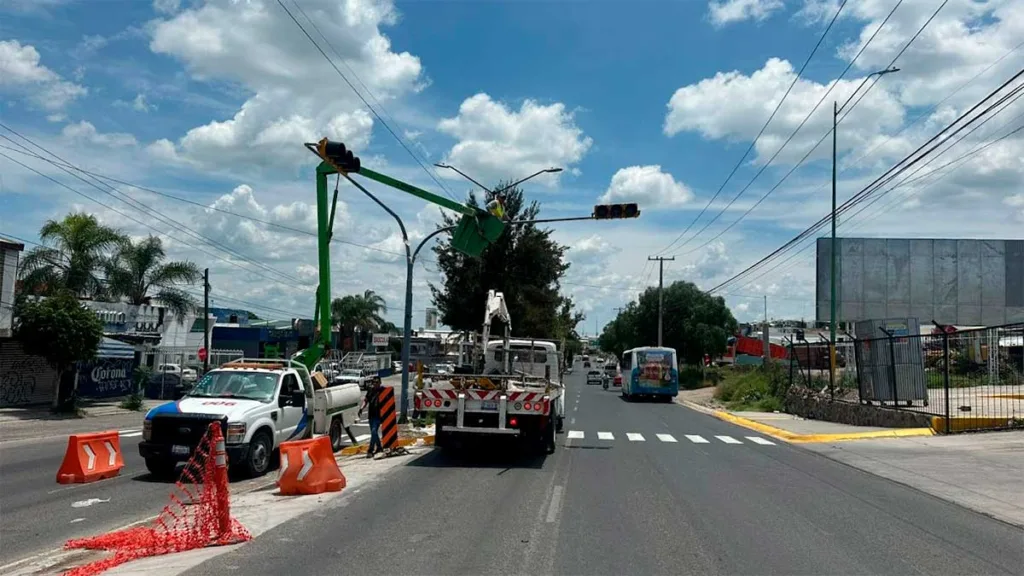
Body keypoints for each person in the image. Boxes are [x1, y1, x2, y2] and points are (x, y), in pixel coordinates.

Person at [359, 379, 384, 458]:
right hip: (371, 415)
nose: (375, 384)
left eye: (377, 382)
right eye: (374, 382)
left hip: (378, 415)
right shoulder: (370, 391)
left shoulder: (383, 390)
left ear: (380, 383)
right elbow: (366, 400)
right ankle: (379, 447)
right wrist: (362, 408)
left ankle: (370, 449)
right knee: (374, 433)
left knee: (374, 431)